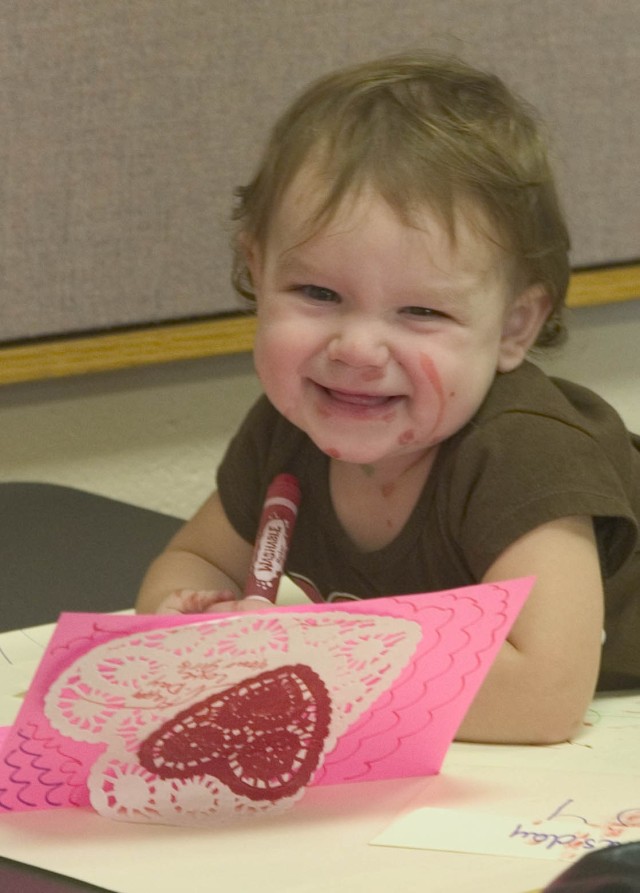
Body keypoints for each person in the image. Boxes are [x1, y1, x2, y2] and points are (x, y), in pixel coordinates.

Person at [136, 51, 640, 745]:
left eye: (421, 312)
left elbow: (546, 696)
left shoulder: (524, 451)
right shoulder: (289, 433)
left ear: (514, 327)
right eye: (317, 294)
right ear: (258, 271)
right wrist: (190, 621)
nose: (356, 350)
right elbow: (190, 562)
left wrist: (307, 655)